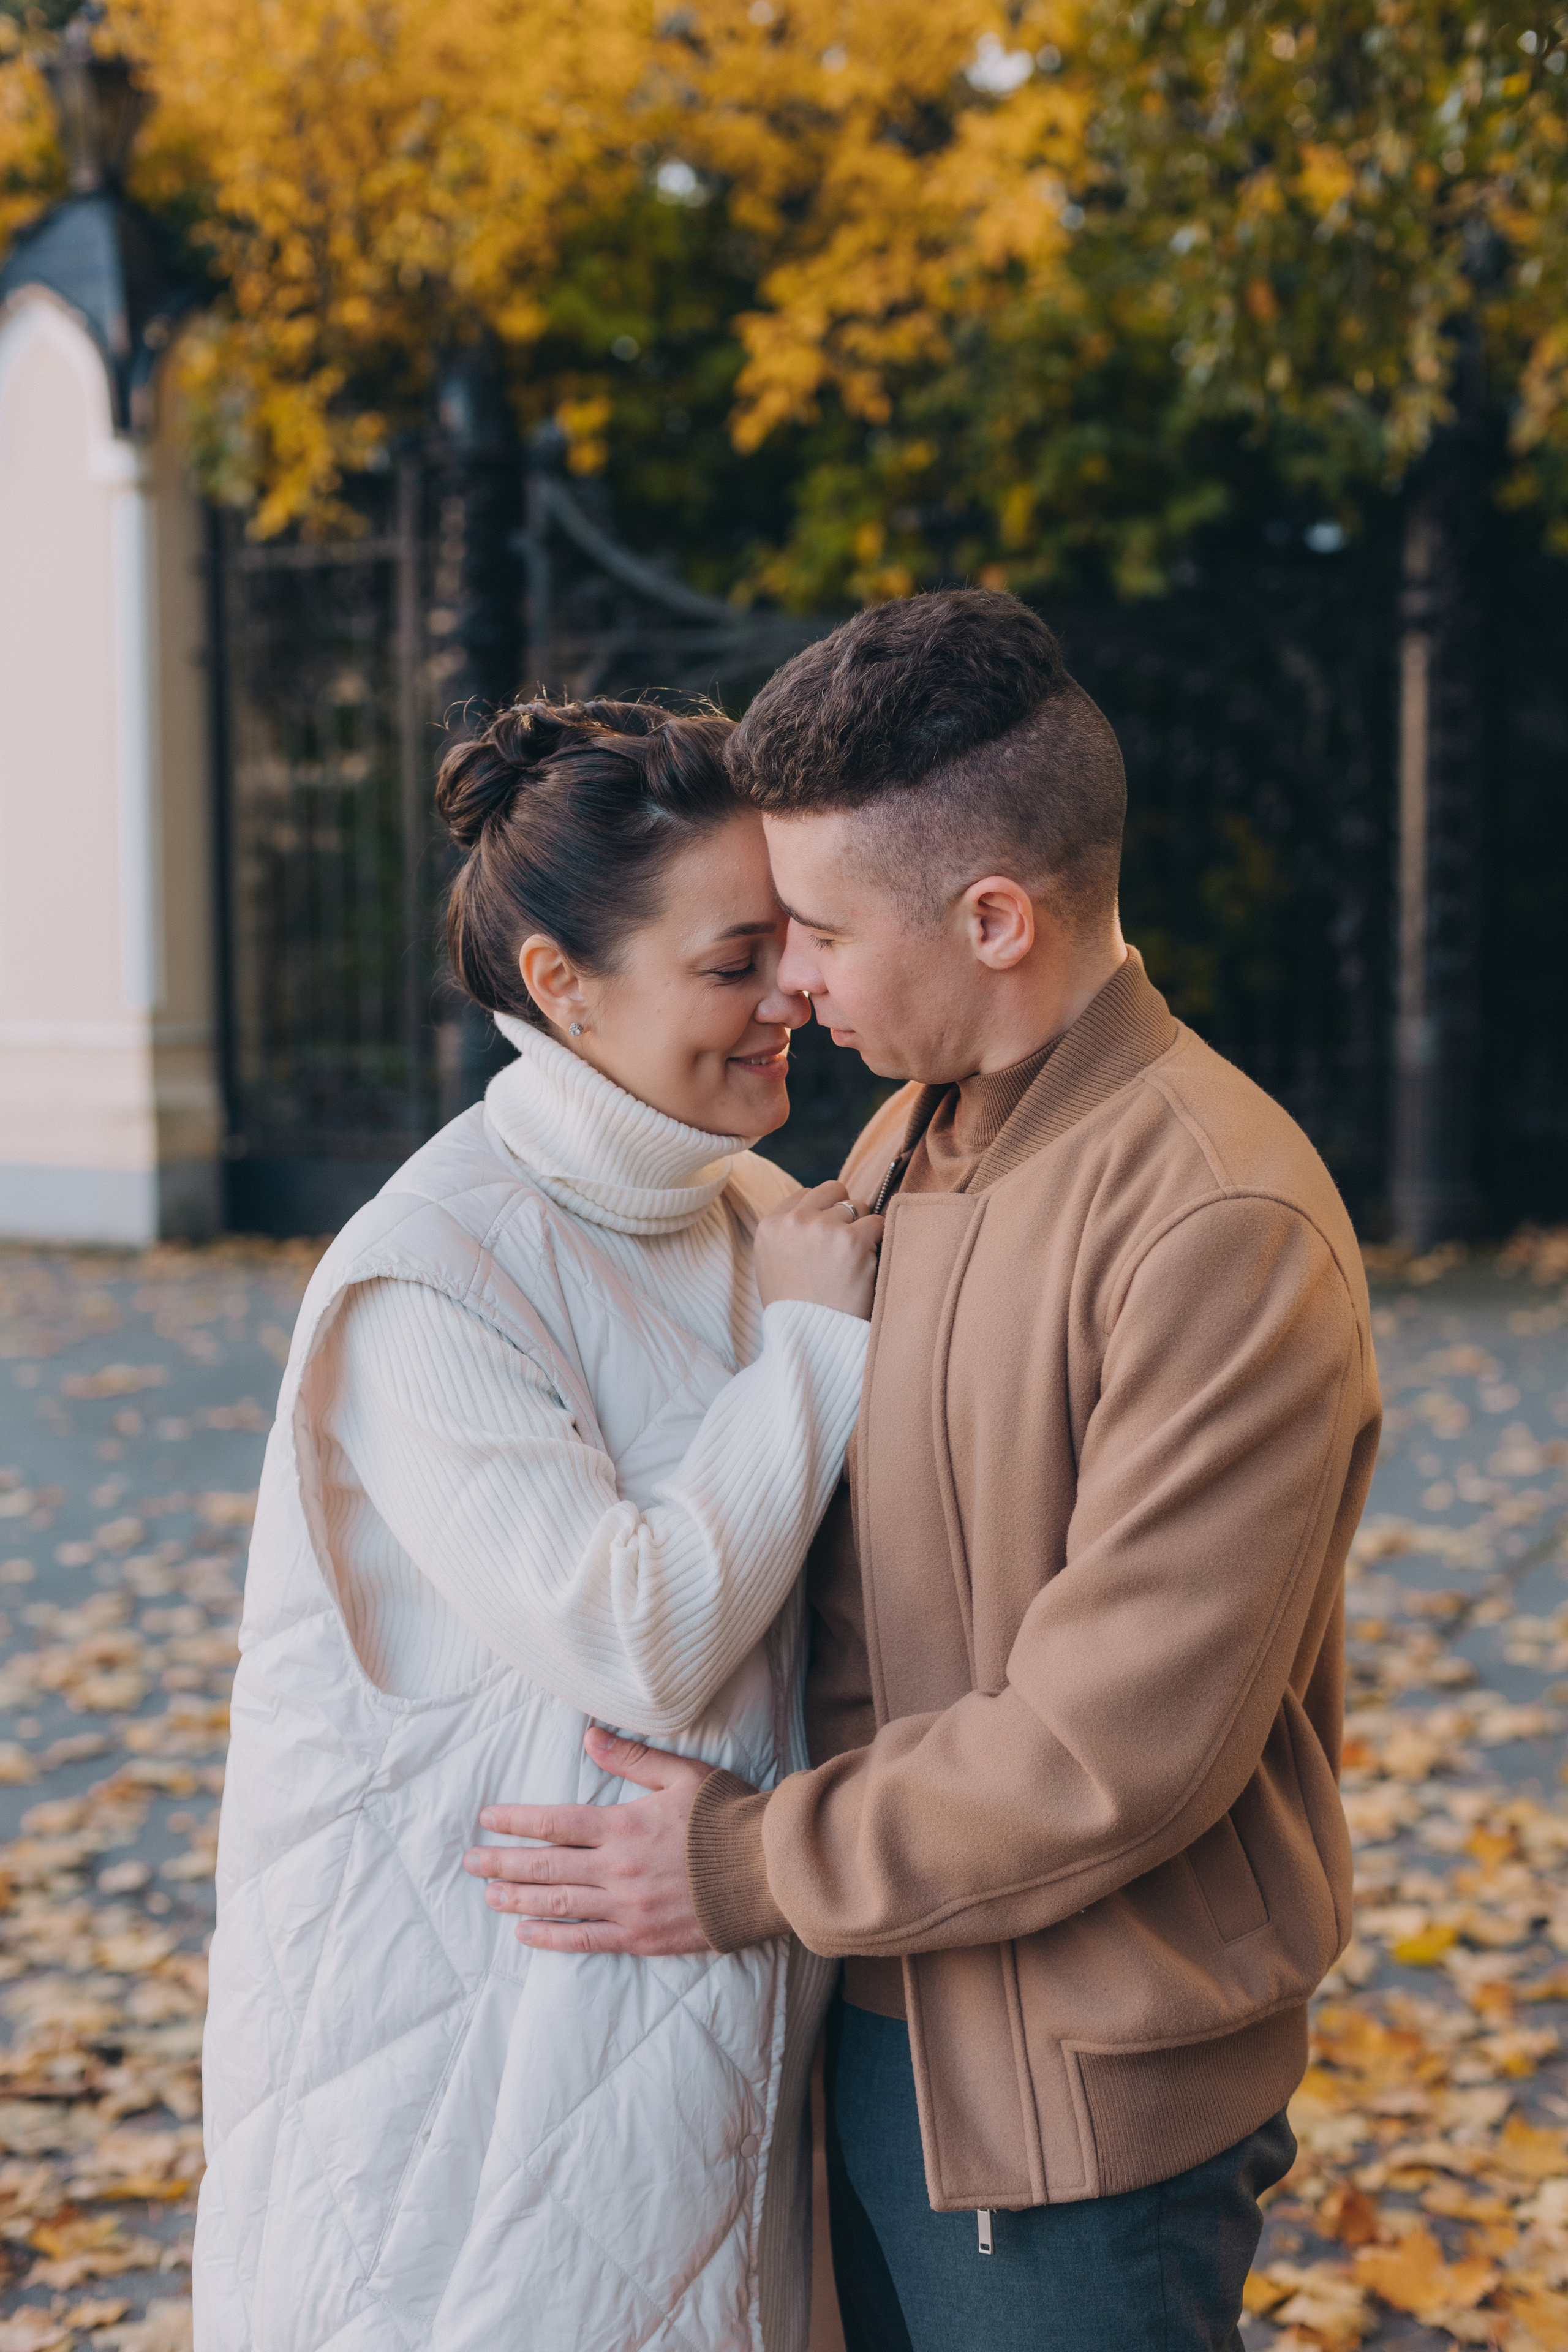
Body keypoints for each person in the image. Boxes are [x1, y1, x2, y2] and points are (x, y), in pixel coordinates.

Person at [466, 594, 1382, 2352]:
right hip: (863, 2019)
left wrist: (742, 1866)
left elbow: (1112, 1748)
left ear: (994, 919)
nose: (790, 981)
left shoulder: (1220, 1222)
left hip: (1077, 2101)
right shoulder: (907, 1132)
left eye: (817, 930)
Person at [194, 701, 884, 2352]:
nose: (793, 992)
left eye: (792, 944)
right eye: (735, 961)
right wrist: (810, 1350)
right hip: (478, 2055)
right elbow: (631, 1638)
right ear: (562, 984)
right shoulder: (431, 1273)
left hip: (712, 2008)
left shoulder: (745, 1209)